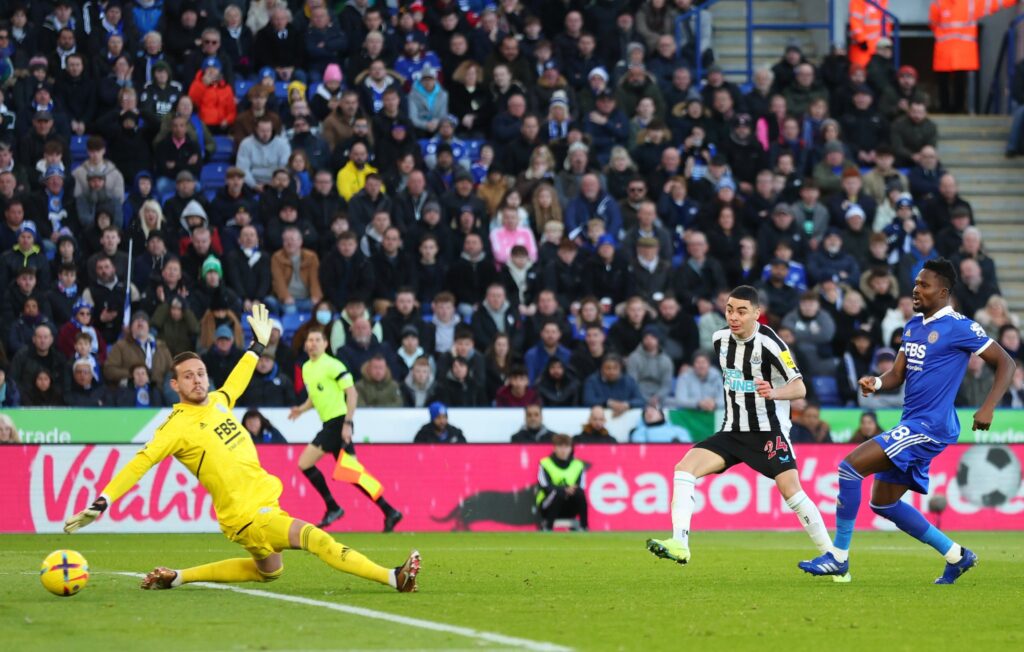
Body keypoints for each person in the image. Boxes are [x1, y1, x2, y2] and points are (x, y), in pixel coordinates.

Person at [64, 304, 420, 593]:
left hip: (260, 506)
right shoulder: (174, 427)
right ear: (174, 384)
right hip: (248, 514)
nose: (198, 379)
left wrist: (257, 346)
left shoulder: (219, 400)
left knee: (269, 572)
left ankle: (179, 576)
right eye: (188, 375)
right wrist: (103, 501)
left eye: (201, 372)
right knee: (314, 538)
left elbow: (238, 376)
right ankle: (393, 577)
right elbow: (141, 463)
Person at [800, 259, 1014, 584]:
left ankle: (838, 557)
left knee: (849, 467)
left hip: (930, 426)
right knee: (883, 503)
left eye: (924, 285)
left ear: (943, 291)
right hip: (913, 422)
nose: (916, 289)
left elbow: (1006, 363)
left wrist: (988, 408)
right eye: (916, 283)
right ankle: (956, 555)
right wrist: (877, 382)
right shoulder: (914, 326)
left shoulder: (960, 327)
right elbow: (897, 374)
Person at [646, 285, 833, 572]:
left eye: (742, 311)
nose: (734, 316)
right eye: (730, 309)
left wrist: (773, 393)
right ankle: (680, 543)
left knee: (791, 491)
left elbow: (800, 387)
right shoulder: (719, 340)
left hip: (768, 431)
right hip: (732, 431)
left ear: (757, 314)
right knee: (684, 469)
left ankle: (832, 556)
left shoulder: (771, 344)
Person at [288, 329, 403, 533]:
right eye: (309, 340)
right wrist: (302, 409)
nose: (312, 343)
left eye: (317, 340)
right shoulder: (306, 368)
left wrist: (347, 424)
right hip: (330, 424)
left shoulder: (333, 364)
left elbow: (352, 394)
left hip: (339, 423)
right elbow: (315, 398)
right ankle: (390, 511)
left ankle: (333, 507)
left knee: (304, 463)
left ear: (325, 344)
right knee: (353, 473)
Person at [536, 433, 588, 531]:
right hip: (548, 505)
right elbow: (545, 485)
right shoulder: (545, 463)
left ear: (571, 449)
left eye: (566, 447)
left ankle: (584, 526)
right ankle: (548, 526)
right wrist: (563, 489)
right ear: (554, 448)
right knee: (558, 493)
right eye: (560, 446)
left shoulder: (578, 465)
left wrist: (569, 491)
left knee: (580, 493)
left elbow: (581, 486)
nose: (563, 450)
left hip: (569, 505)